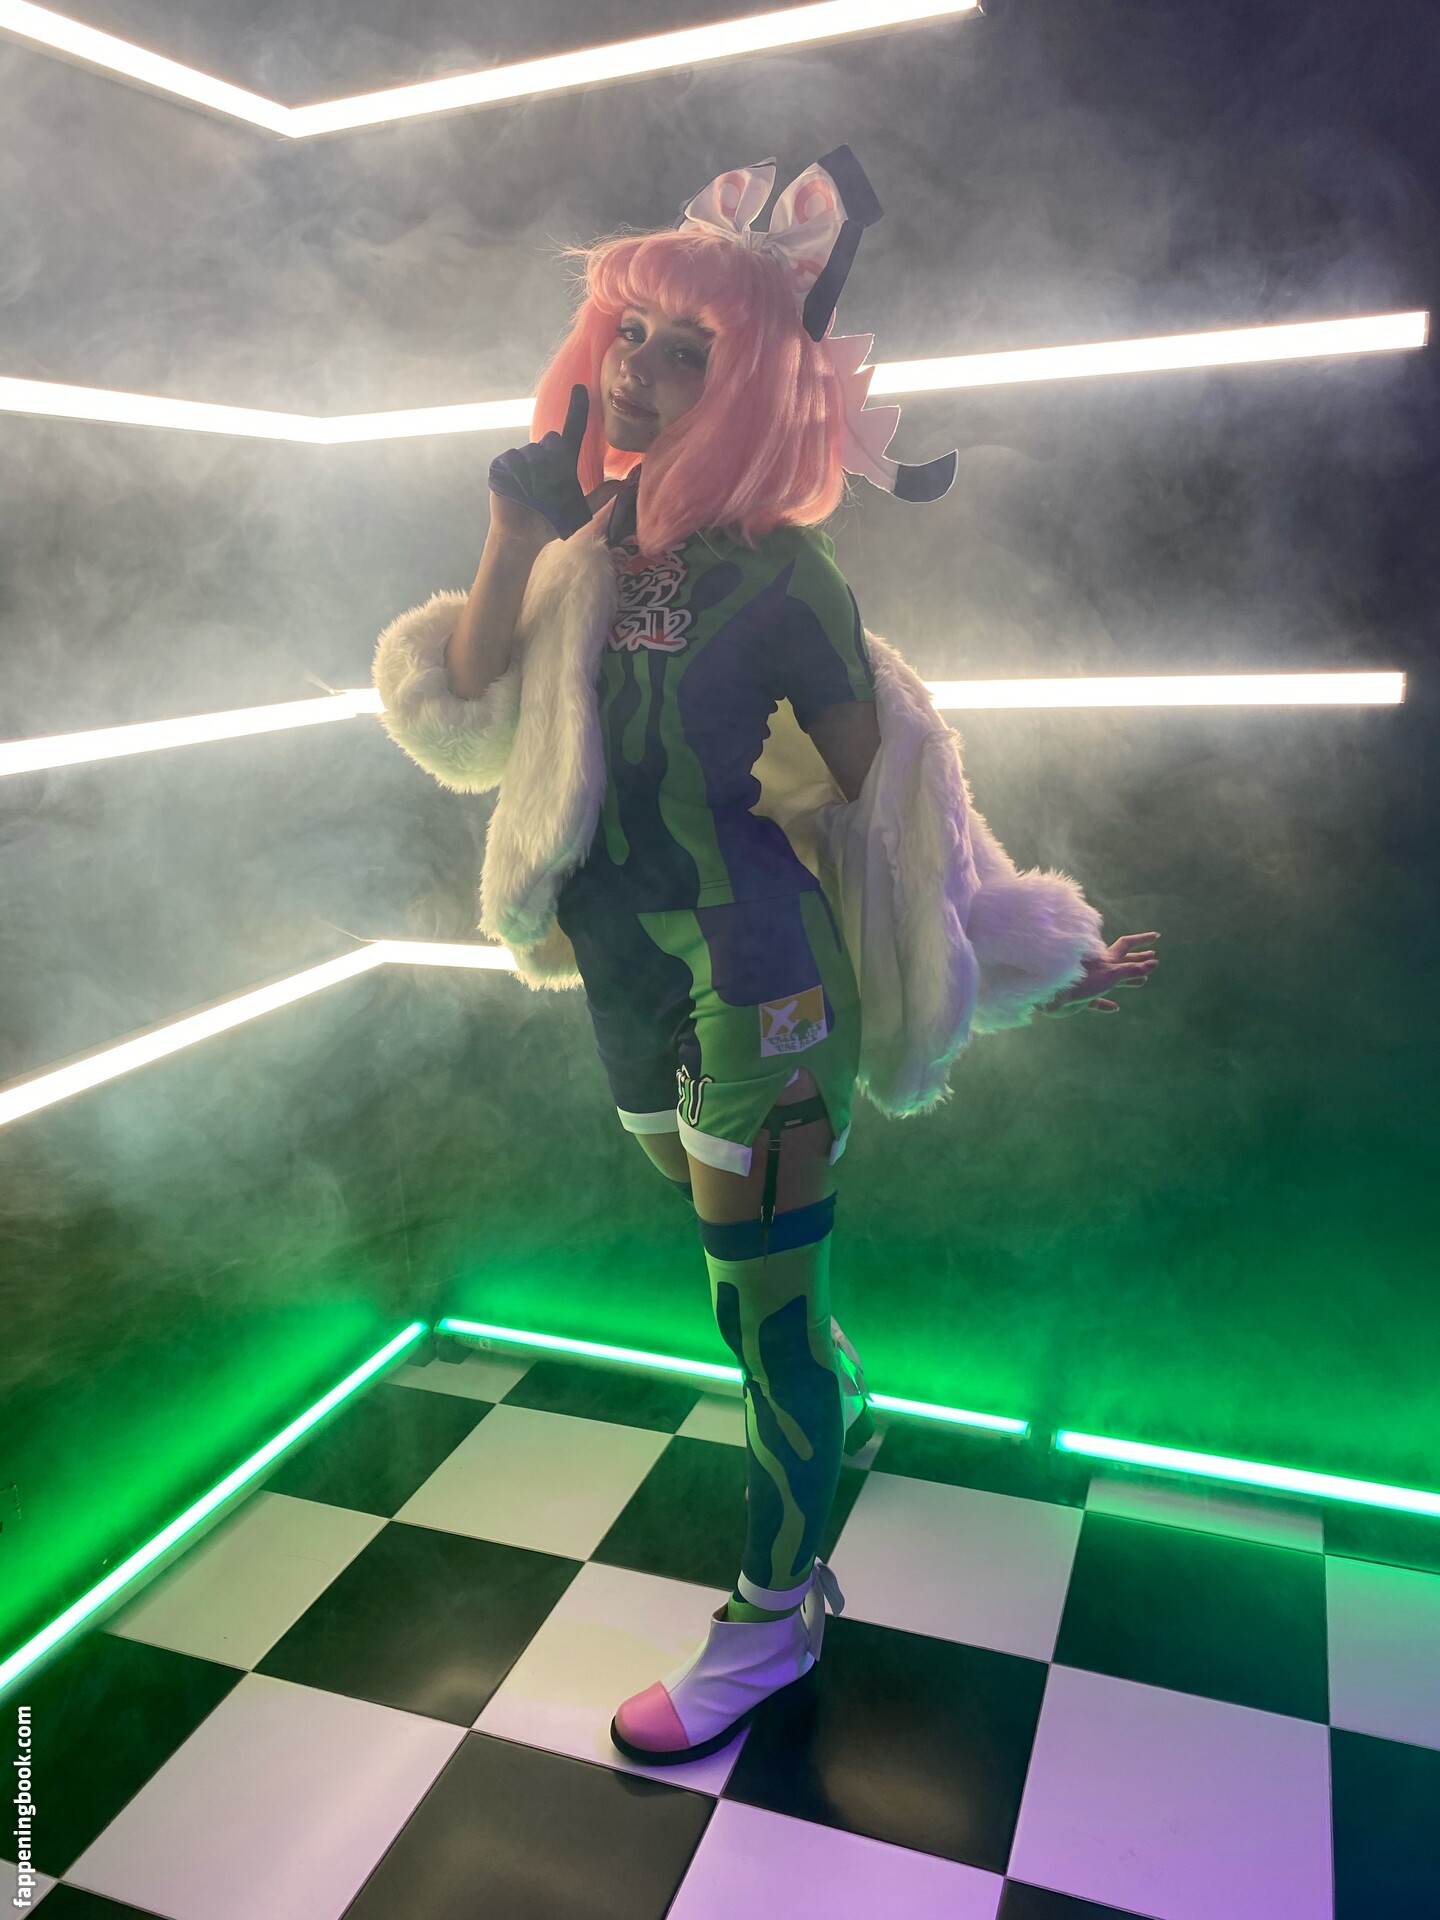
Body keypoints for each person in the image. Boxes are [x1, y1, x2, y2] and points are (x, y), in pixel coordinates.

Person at [372, 148, 1160, 1767]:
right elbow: (461, 725)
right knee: (747, 1301)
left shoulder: (793, 580)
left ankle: (770, 1620)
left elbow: (904, 804)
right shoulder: (586, 545)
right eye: (630, 332)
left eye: (688, 350)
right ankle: (832, 1406)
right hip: (623, 981)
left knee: (767, 1320)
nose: (638, 369)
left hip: (763, 981)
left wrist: (1010, 943)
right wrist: (512, 532)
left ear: (750, 391)